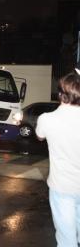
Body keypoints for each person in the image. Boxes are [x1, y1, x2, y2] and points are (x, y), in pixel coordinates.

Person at [36, 70, 80, 247]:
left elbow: (40, 136)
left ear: (61, 94)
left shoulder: (48, 119)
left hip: (62, 187)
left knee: (66, 238)